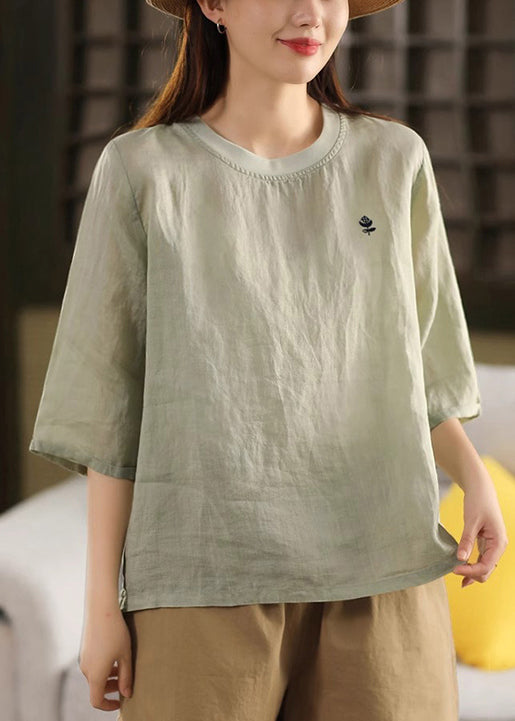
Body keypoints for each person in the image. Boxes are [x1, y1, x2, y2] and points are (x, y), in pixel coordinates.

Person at [29, 0, 508, 718]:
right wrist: (103, 607)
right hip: (199, 579)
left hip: (385, 568)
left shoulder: (394, 159)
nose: (308, 12)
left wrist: (474, 479)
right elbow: (109, 409)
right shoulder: (142, 171)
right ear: (213, 5)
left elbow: (420, 365)